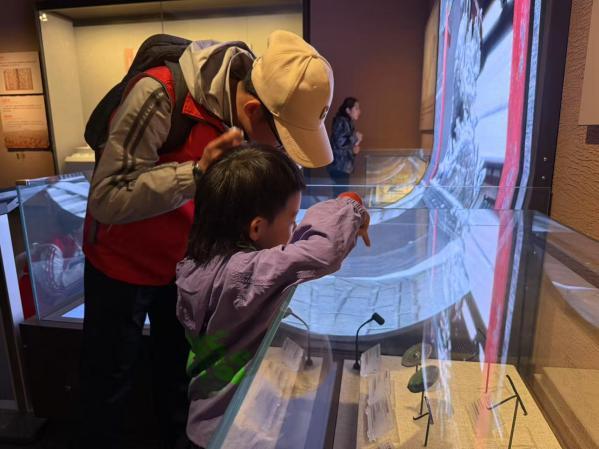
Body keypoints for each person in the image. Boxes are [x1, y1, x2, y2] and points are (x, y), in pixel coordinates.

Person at [79, 30, 335, 449]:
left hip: (181, 265)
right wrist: (196, 173)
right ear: (253, 110)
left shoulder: (243, 112)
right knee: (108, 383)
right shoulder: (159, 94)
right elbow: (106, 197)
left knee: (178, 379)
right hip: (119, 263)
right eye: (282, 138)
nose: (281, 149)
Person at [176, 145, 370, 448]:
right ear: (256, 228)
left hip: (202, 422)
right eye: (292, 220)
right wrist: (349, 203)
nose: (295, 229)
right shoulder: (245, 273)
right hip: (235, 431)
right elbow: (322, 251)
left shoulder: (196, 264)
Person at [327, 97, 363, 196]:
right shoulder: (341, 122)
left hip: (342, 167)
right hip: (339, 166)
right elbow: (340, 142)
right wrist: (355, 137)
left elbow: (344, 145)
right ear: (348, 110)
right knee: (340, 195)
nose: (359, 111)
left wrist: (354, 150)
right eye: (356, 108)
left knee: (341, 195)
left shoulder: (347, 122)